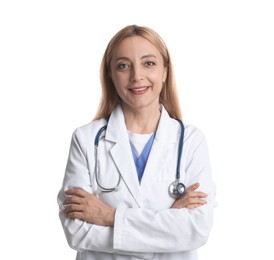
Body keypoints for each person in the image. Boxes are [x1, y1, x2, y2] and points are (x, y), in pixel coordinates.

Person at [57, 24, 216, 260]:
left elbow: (196, 230)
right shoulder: (86, 139)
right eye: (123, 66)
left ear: (164, 71)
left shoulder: (191, 141)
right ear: (110, 75)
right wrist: (167, 225)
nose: (137, 76)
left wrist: (110, 217)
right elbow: (77, 232)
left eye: (148, 63)